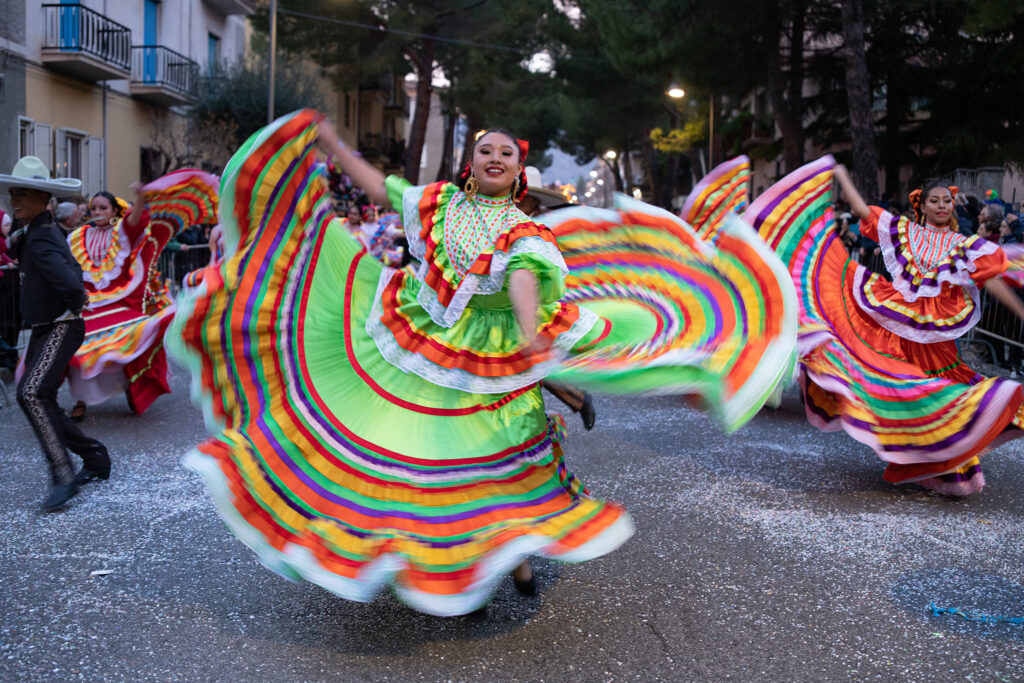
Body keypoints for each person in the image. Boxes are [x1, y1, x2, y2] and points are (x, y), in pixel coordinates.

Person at [167, 110, 796, 616]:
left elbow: (524, 284)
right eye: (486, 151)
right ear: (471, 164)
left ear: (519, 170)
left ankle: (513, 553)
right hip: (426, 336)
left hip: (497, 356)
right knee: (430, 450)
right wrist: (331, 142)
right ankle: (475, 553)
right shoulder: (438, 204)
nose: (495, 159)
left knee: (508, 451)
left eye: (507, 154)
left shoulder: (528, 234)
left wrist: (529, 340)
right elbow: (378, 187)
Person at [746, 157, 1024, 495]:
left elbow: (992, 279)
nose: (941, 206)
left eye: (946, 200)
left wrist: (1021, 312)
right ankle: (930, 462)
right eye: (934, 200)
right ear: (921, 205)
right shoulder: (904, 231)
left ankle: (949, 464)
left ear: (953, 204)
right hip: (895, 323)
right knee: (906, 392)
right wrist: (840, 174)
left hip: (936, 337)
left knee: (943, 394)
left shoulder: (966, 246)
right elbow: (864, 210)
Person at [0, 155, 110, 511]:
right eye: (13, 193)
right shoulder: (39, 232)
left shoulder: (42, 237)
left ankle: (62, 473)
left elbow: (67, 277)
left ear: (43, 199)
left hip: (61, 326)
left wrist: (77, 300)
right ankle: (94, 458)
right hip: (49, 326)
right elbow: (73, 266)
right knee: (36, 395)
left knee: (31, 393)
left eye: (24, 195)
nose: (15, 200)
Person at [65, 173, 217, 421]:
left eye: (103, 207)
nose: (97, 211)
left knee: (129, 343)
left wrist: (139, 197)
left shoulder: (120, 232)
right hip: (89, 304)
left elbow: (135, 223)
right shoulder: (78, 236)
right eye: (93, 208)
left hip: (118, 301)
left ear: (114, 210)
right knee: (80, 348)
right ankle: (81, 401)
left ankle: (132, 388)